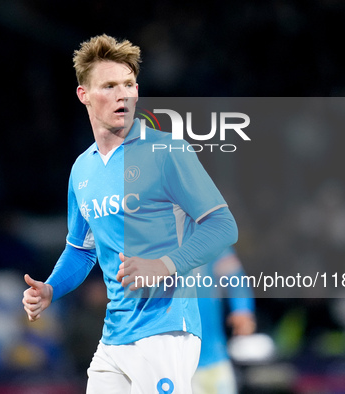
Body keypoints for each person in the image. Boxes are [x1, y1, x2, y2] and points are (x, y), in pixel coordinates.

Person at [22, 34, 238, 394]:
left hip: (166, 331)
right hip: (114, 337)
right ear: (84, 95)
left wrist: (164, 264)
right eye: (109, 86)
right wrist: (50, 289)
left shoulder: (167, 151)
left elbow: (222, 226)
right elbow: (82, 248)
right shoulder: (82, 169)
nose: (123, 94)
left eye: (128, 85)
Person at [192, 247, 256, 394]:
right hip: (169, 358)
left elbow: (236, 280)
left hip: (212, 358)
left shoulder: (209, 237)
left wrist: (242, 310)